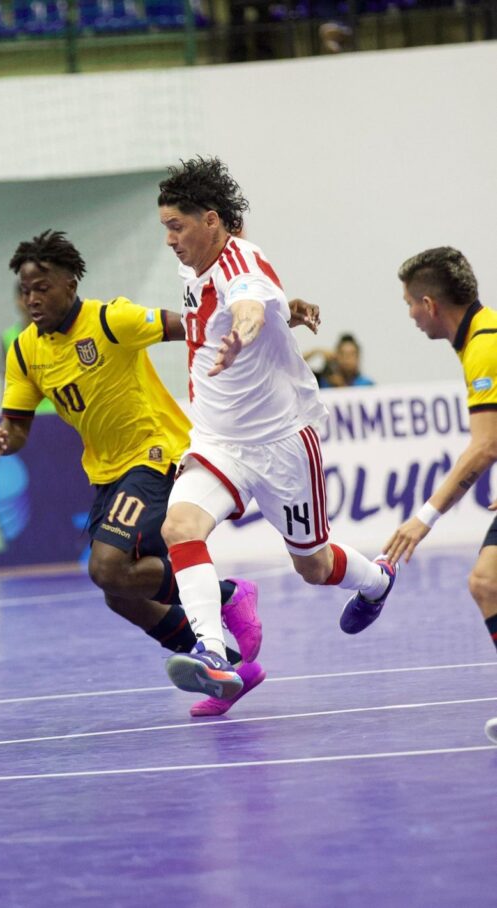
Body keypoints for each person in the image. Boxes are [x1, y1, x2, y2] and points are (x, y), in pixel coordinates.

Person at [0, 230, 268, 718]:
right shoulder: (25, 351)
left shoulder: (110, 319)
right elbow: (18, 426)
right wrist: (5, 439)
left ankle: (228, 596)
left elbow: (192, 325)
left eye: (43, 286)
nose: (32, 298)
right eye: (25, 289)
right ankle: (233, 672)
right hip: (106, 474)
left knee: (107, 567)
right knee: (120, 594)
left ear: (70, 283)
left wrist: (248, 328)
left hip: (155, 455)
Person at [155, 156, 398, 701]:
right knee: (180, 528)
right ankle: (213, 655)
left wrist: (248, 328)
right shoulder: (190, 268)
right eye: (164, 227)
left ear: (211, 220)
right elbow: (241, 309)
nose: (169, 239)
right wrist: (287, 310)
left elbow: (246, 304)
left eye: (176, 226)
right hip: (218, 440)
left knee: (312, 564)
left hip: (281, 441)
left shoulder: (244, 264)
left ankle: (378, 582)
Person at [378, 247, 497, 745]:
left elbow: (486, 445)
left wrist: (424, 517)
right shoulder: (476, 339)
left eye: (408, 303)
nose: (408, 314)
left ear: (428, 304)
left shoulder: (485, 345)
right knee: (487, 582)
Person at [0, 284, 54, 414]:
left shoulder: (59, 333)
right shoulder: (8, 338)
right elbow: (6, 386)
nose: (30, 301)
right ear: (18, 301)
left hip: (60, 415)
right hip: (27, 417)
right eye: (25, 295)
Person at [304, 333, 375, 388]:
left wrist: (341, 386)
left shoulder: (367, 385)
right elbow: (295, 369)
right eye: (342, 354)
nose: (347, 359)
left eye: (351, 354)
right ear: (336, 356)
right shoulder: (323, 381)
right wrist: (316, 351)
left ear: (358, 357)